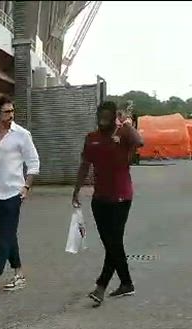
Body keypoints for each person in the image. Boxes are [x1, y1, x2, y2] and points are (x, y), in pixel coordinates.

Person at [72, 100, 144, 305]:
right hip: (100, 198)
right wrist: (76, 190)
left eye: (107, 116)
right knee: (111, 243)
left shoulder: (123, 134)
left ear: (114, 117)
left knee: (114, 243)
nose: (103, 120)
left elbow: (139, 141)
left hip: (121, 197)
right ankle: (126, 283)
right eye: (100, 116)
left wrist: (126, 123)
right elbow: (84, 165)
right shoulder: (92, 138)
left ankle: (101, 286)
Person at [0, 95, 41, 297]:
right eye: (6, 112)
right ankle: (19, 274)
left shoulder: (22, 135)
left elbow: (33, 163)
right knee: (7, 235)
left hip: (13, 193)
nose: (11, 115)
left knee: (5, 235)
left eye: (12, 111)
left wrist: (26, 187)